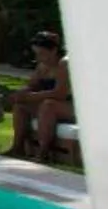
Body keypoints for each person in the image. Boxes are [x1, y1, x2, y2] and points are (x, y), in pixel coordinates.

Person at [8, 31, 74, 162]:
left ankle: (43, 153)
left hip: (73, 107)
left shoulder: (64, 64)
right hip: (53, 106)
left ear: (54, 50)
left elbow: (59, 93)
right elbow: (32, 85)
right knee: (20, 106)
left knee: (48, 106)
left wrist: (31, 97)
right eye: (36, 53)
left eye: (42, 54)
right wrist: (21, 93)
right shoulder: (42, 66)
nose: (38, 58)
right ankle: (18, 148)